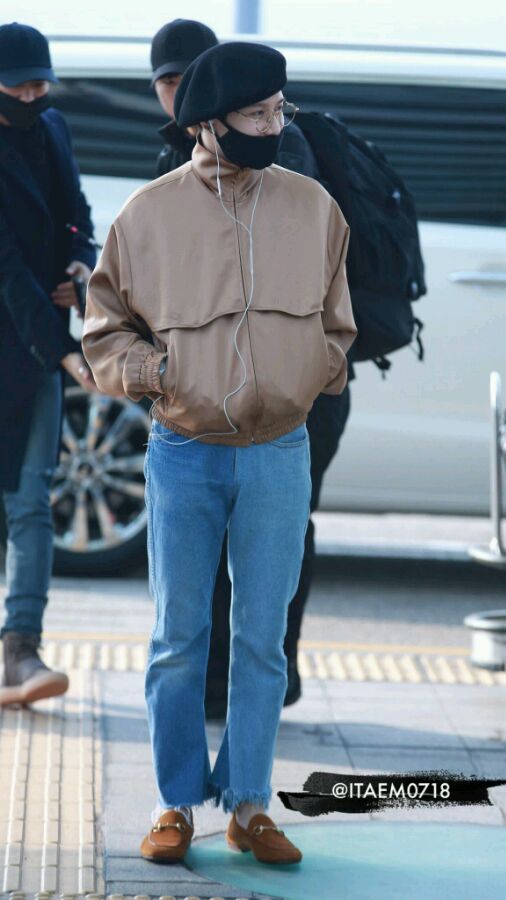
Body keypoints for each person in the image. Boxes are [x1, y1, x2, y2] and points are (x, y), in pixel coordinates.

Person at [83, 41, 356, 864]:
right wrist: (160, 375)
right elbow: (103, 330)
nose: (275, 125)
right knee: (179, 636)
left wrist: (310, 371)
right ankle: (174, 803)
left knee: (262, 639)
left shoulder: (314, 208)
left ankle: (248, 803)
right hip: (185, 450)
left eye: (279, 110)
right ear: (209, 122)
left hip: (279, 452)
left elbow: (337, 325)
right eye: (257, 114)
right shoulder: (148, 216)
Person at [150, 19, 352, 717]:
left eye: (188, 79)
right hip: (211, 398)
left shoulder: (276, 155)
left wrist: (312, 372)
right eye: (166, 81)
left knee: (278, 532)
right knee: (212, 542)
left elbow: (298, 283)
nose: (177, 92)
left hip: (290, 395)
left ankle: (265, 672)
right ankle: (224, 680)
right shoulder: (173, 167)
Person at [0, 23, 97, 706]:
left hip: (33, 352)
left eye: (41, 83)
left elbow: (77, 217)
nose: (34, 95)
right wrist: (64, 350)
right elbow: (6, 271)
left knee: (32, 498)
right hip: (31, 339)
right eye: (20, 86)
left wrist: (81, 266)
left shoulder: (53, 128)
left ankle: (19, 649)